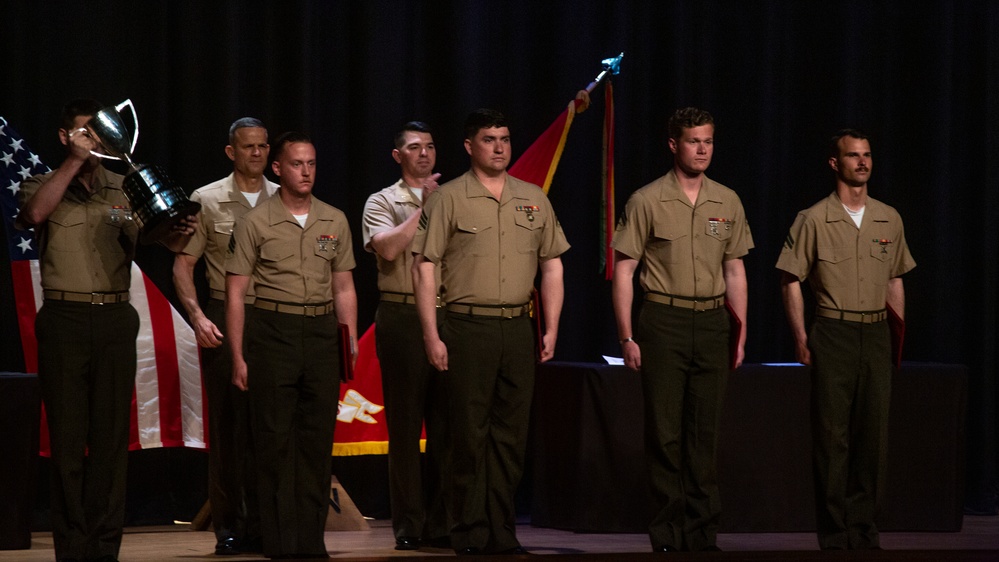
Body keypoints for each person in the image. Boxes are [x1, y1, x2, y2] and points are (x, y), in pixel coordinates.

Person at [16, 98, 194, 562]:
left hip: (114, 319)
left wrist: (177, 231)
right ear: (65, 137)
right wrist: (74, 162)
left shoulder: (124, 187)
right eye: (84, 134)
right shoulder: (42, 182)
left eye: (99, 134)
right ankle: (72, 547)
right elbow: (34, 215)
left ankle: (104, 547)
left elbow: (156, 238)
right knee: (69, 441)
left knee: (112, 440)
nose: (95, 142)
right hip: (64, 319)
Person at [413, 108, 569, 556]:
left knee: (510, 436)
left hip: (517, 328)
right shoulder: (449, 199)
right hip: (466, 327)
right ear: (469, 146)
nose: (499, 146)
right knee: (467, 434)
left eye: (504, 138)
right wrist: (431, 335)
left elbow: (552, 264)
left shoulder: (533, 198)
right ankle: (468, 530)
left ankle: (502, 529)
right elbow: (425, 268)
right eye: (489, 139)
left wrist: (552, 326)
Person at [611, 107, 752, 553]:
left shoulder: (727, 200)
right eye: (694, 141)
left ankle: (702, 532)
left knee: (704, 433)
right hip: (663, 322)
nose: (703, 149)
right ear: (674, 144)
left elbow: (735, 272)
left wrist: (740, 333)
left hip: (712, 323)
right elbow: (624, 271)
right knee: (666, 432)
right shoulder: (646, 200)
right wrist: (627, 336)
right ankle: (667, 533)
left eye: (708, 140)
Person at [776, 129, 915, 550]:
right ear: (835, 163)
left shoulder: (889, 217)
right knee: (832, 437)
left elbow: (894, 279)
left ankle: (865, 530)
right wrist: (801, 336)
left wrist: (896, 336)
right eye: (853, 156)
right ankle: (835, 534)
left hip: (874, 332)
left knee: (873, 436)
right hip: (833, 330)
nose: (862, 162)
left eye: (867, 155)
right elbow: (790, 279)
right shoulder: (813, 218)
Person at [225, 132, 357, 559]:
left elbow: (343, 286)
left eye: (312, 163)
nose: (306, 171)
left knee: (317, 442)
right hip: (273, 331)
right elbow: (236, 294)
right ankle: (280, 543)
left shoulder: (334, 219)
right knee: (275, 441)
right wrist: (239, 356)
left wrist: (348, 339)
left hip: (320, 334)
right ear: (278, 169)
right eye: (298, 164)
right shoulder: (255, 221)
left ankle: (310, 542)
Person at [172, 117, 278, 555]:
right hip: (223, 313)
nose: (256, 153)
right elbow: (182, 265)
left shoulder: (284, 196)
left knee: (271, 427)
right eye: (247, 146)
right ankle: (230, 525)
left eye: (262, 146)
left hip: (275, 318)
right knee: (230, 429)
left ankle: (268, 524)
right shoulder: (208, 199)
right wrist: (196, 316)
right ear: (231, 151)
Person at [361, 121, 449, 551]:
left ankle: (444, 521)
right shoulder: (382, 201)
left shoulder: (455, 197)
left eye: (430, 146)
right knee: (406, 423)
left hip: (449, 315)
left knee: (450, 425)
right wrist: (425, 209)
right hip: (402, 315)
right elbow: (390, 248)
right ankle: (410, 525)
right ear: (399, 156)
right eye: (415, 148)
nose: (425, 154)